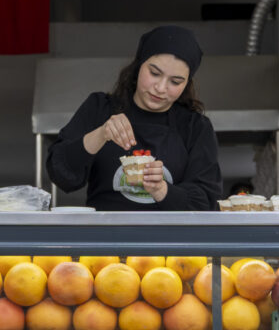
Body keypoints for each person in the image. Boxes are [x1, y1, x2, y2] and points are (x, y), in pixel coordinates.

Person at [46, 25, 222, 210]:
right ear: (139, 65)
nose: (161, 88)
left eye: (175, 82)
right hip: (105, 234)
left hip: (169, 237)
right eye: (154, 73)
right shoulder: (100, 108)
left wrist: (162, 190)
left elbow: (206, 202)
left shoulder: (195, 127)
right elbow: (61, 175)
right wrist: (100, 135)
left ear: (186, 84)